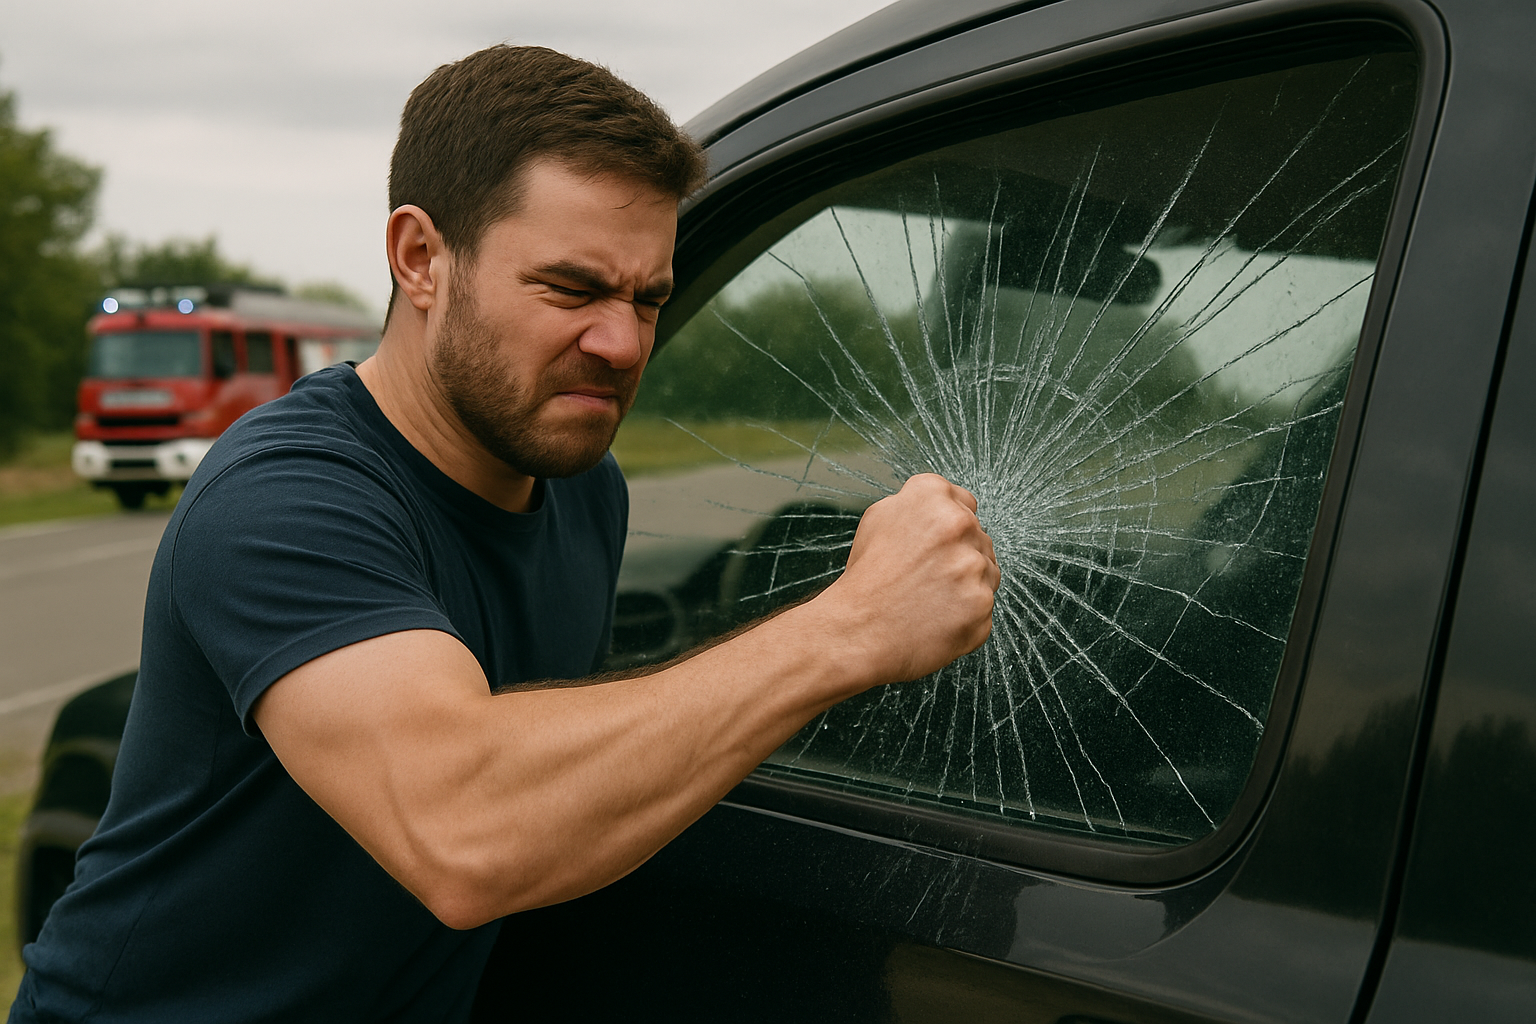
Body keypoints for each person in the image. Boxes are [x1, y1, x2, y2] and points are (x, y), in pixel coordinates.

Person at [11, 45, 999, 1023]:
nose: (620, 343)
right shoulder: (284, 497)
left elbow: (569, 800)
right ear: (421, 258)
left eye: (646, 299)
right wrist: (851, 626)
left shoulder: (584, 490)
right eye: (571, 290)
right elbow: (466, 827)